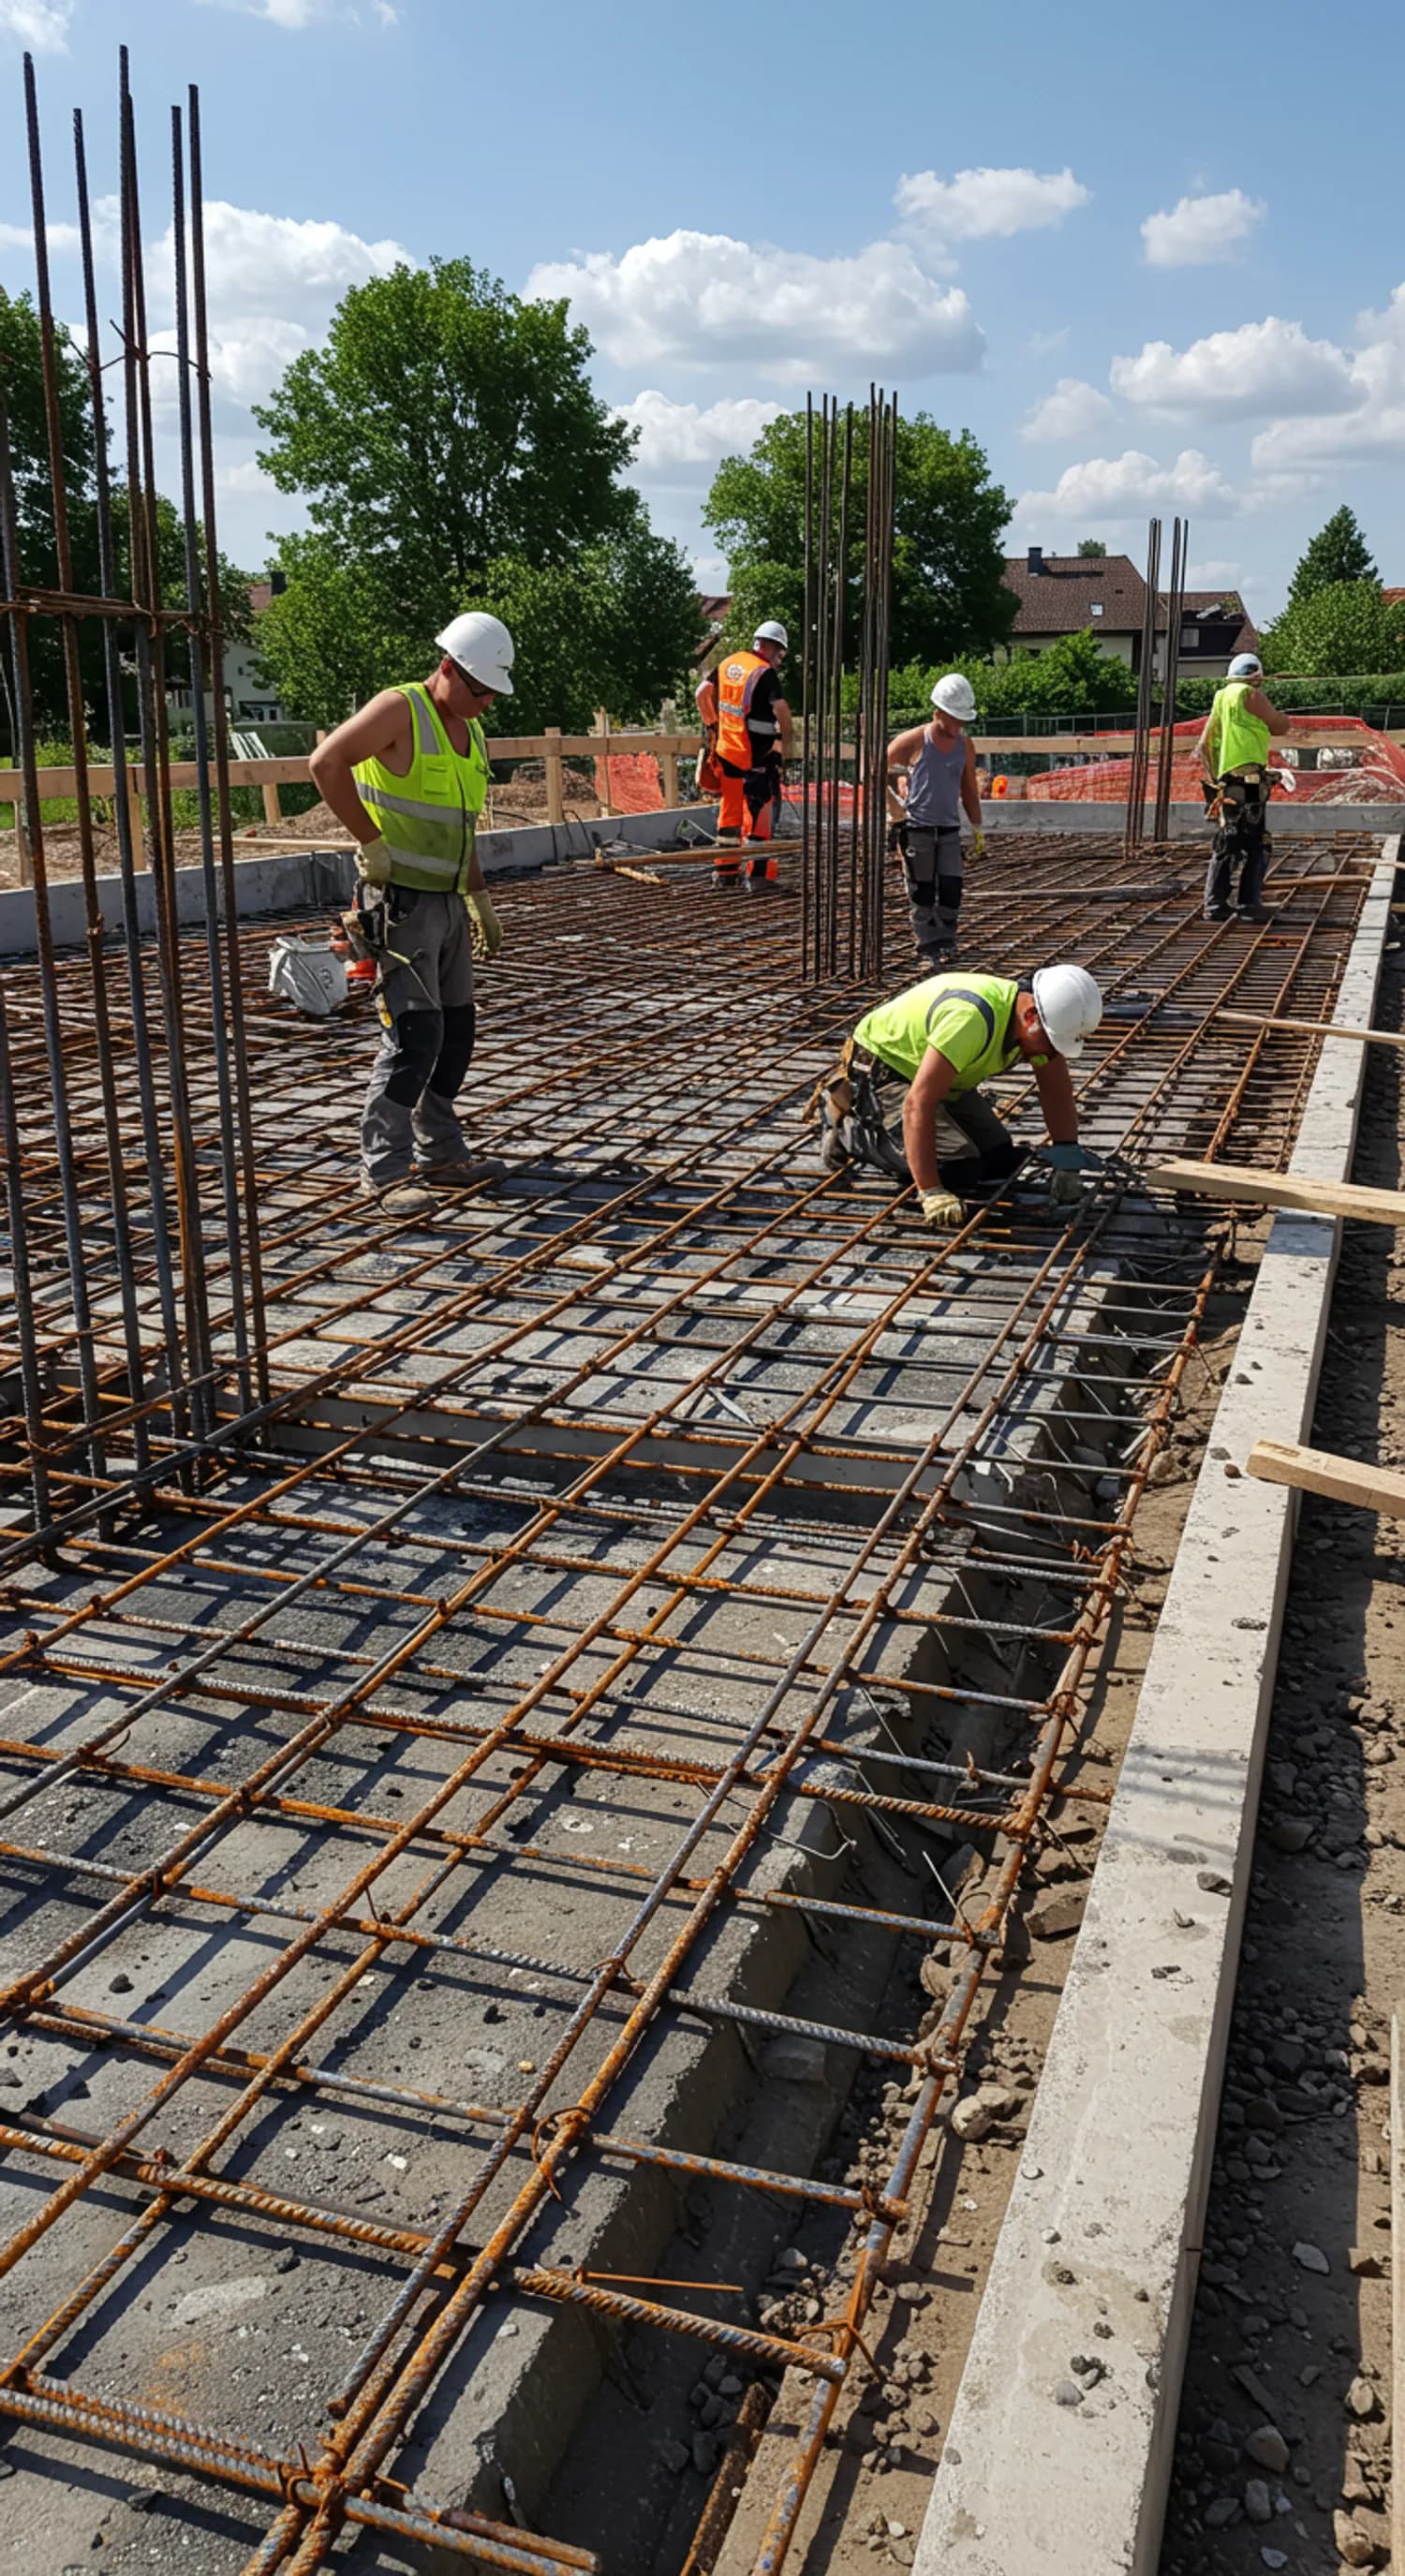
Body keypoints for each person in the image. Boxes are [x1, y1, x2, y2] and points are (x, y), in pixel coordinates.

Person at [309, 612, 511, 1215]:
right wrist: (370, 842)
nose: (485, 704)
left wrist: (480, 900)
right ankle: (385, 1170)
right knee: (413, 1037)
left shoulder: (471, 734)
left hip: (447, 900)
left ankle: (442, 1153)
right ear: (449, 668)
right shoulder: (403, 709)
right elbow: (325, 763)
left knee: (456, 1034)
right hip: (400, 903)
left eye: (492, 695)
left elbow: (461, 827)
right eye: (479, 691)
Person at [815, 962, 1102, 1231]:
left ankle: (909, 1137)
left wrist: (1067, 1156)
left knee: (1000, 1158)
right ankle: (848, 1130)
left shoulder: (1038, 1026)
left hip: (937, 1077)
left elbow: (1056, 1090)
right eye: (1052, 1045)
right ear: (1030, 1018)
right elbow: (919, 1103)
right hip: (885, 1067)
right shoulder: (970, 1020)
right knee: (955, 1169)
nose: (1052, 1054)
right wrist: (930, 1190)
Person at [885, 674, 986, 967]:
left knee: (952, 888)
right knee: (922, 889)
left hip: (949, 828)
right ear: (937, 712)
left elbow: (968, 787)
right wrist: (895, 810)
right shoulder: (915, 741)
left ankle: (946, 938)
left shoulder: (964, 745)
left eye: (962, 720)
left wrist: (977, 827)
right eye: (953, 719)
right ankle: (927, 943)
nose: (958, 726)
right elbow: (875, 769)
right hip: (918, 827)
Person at [695, 621, 793, 891]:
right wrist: (788, 741)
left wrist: (713, 725)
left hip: (728, 752)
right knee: (761, 809)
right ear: (773, 647)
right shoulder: (764, 672)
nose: (780, 659)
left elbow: (701, 693)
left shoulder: (729, 663)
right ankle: (759, 876)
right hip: (756, 756)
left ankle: (725, 874)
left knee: (730, 812)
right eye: (781, 654)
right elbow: (781, 708)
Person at [1197, 650, 1291, 925]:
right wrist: (1281, 718)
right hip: (1248, 782)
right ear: (1256, 677)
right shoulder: (1249, 695)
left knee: (1227, 841)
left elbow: (1204, 745)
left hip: (1227, 781)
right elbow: (1279, 726)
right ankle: (1249, 903)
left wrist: (1216, 779)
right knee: (1258, 842)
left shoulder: (1222, 696)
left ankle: (1215, 905)